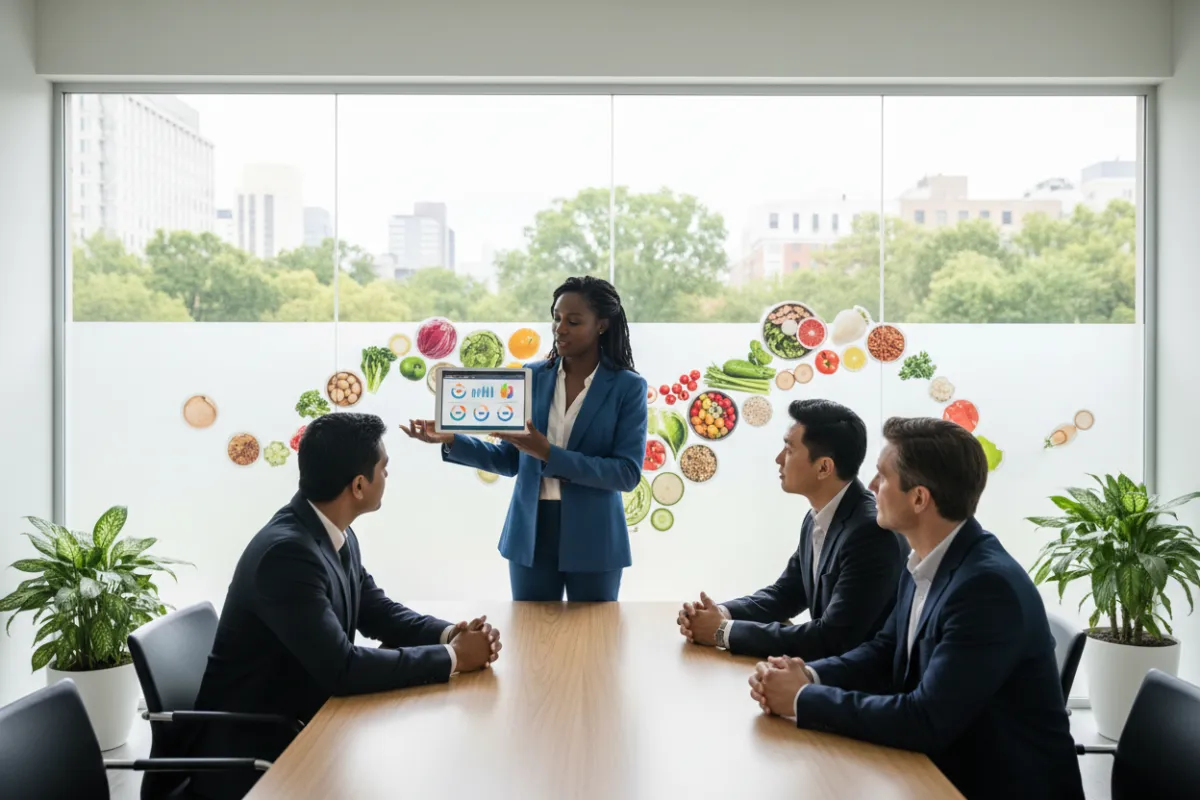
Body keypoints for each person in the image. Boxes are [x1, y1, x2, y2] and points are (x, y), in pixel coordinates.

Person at [748, 417, 1084, 800]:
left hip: (988, 785)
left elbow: (925, 719)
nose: (871, 487)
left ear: (919, 498)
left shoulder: (986, 589)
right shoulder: (924, 557)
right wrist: (808, 675)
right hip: (938, 768)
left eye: (882, 477)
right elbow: (884, 650)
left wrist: (801, 698)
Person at [187, 413, 501, 800]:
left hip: (308, 724)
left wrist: (451, 633)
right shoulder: (287, 554)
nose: (388, 477)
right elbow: (343, 669)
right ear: (358, 485)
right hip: (259, 752)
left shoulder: (331, 531)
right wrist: (452, 658)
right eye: (384, 469)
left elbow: (377, 611)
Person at [401, 276, 647, 602]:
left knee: (594, 642)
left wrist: (548, 453)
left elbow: (626, 474)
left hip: (595, 537)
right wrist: (451, 439)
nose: (560, 328)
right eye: (556, 318)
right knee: (531, 638)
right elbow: (507, 459)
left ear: (601, 325)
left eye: (573, 321)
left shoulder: (628, 387)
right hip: (530, 532)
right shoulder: (530, 377)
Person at [677, 399, 907, 660]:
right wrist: (719, 613)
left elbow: (831, 638)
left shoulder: (869, 532)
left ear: (823, 467)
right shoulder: (818, 517)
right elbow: (786, 594)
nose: (778, 459)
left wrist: (722, 632)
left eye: (789, 449)